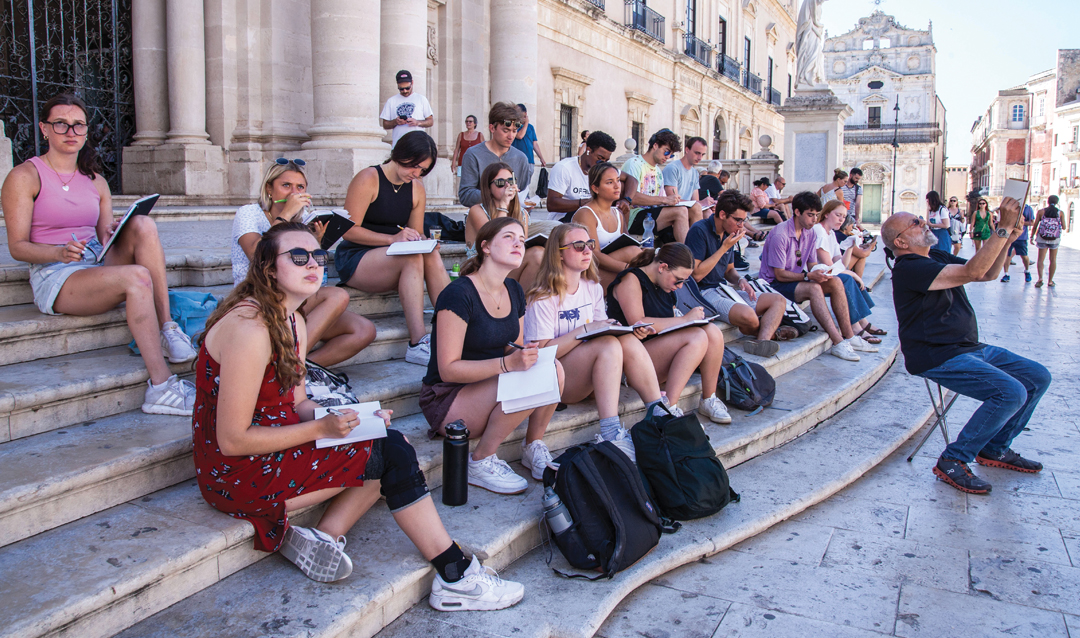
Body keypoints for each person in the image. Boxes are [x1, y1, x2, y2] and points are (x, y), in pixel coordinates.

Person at [192, 223, 525, 607]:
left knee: (383, 440)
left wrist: (350, 418)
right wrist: (323, 427)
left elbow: (298, 403)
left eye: (318, 256)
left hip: (270, 443)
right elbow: (232, 439)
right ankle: (454, 574)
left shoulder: (293, 321)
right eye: (298, 257)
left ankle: (326, 536)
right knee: (390, 453)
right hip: (236, 474)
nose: (313, 264)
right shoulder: (249, 329)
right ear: (269, 268)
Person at [1, 93, 196, 415]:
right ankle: (161, 387)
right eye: (61, 124)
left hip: (93, 263)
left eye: (78, 125)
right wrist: (57, 252)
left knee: (143, 225)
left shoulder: (96, 181)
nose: (70, 132)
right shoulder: (25, 176)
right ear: (44, 129)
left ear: (86, 131)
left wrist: (111, 232)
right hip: (56, 275)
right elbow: (17, 246)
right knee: (137, 277)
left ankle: (168, 328)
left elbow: (102, 235)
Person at [882, 200, 1050, 495]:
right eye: (916, 223)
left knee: (1037, 376)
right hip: (938, 355)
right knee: (1011, 392)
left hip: (968, 347)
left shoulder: (934, 254)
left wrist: (1008, 237)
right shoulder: (909, 268)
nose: (924, 223)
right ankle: (953, 459)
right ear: (901, 241)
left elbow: (985, 273)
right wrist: (1000, 229)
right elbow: (973, 270)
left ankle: (995, 448)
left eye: (921, 219)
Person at [421, 217, 563, 493]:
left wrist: (526, 355)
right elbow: (448, 369)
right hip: (448, 398)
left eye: (522, 240)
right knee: (536, 377)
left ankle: (533, 446)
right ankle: (480, 460)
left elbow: (514, 347)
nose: (518, 244)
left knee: (553, 368)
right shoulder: (458, 293)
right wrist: (507, 364)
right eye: (509, 237)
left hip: (488, 388)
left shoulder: (513, 290)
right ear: (485, 246)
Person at [524, 223, 665, 462]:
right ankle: (610, 432)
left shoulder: (593, 288)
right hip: (557, 381)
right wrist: (585, 330)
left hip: (591, 373)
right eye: (579, 246)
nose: (588, 251)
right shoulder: (542, 297)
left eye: (590, 245)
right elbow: (542, 353)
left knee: (626, 341)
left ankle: (660, 411)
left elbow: (604, 328)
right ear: (558, 253)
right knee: (608, 345)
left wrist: (625, 330)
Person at [231, 160, 375, 367]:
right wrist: (285, 215)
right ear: (269, 189)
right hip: (260, 295)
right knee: (338, 295)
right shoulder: (249, 213)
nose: (293, 193)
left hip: (295, 296)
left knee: (364, 330)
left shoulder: (305, 218)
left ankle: (296, 368)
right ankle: (286, 363)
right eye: (286, 186)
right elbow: (257, 254)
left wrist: (316, 242)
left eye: (300, 187)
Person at [336, 131, 450, 366]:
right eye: (414, 166)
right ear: (401, 154)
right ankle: (417, 342)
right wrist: (392, 239)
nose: (416, 174)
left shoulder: (416, 188)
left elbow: (415, 234)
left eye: (422, 170)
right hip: (358, 256)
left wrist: (424, 242)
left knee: (428, 254)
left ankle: (455, 327)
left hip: (393, 258)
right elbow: (347, 230)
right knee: (411, 258)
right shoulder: (368, 178)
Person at [607, 243, 731, 424]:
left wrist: (693, 321)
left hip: (657, 353)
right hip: (632, 363)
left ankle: (708, 398)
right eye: (678, 280)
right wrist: (685, 320)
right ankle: (667, 407)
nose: (680, 286)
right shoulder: (631, 280)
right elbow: (638, 322)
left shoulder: (665, 285)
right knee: (696, 337)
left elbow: (669, 322)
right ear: (663, 267)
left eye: (684, 282)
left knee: (712, 331)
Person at [758, 192, 869, 362]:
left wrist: (821, 272)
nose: (814, 220)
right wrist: (810, 276)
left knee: (836, 282)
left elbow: (811, 265)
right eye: (810, 215)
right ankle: (838, 342)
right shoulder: (780, 235)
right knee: (814, 288)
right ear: (796, 212)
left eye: (816, 215)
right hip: (772, 285)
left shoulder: (810, 233)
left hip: (794, 279)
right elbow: (779, 275)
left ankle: (849, 336)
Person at [684, 190, 789, 357]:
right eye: (738, 220)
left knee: (778, 300)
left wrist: (740, 280)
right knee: (750, 316)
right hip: (703, 293)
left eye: (743, 221)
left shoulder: (729, 232)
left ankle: (761, 342)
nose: (741, 226)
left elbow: (729, 270)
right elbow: (696, 275)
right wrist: (724, 247)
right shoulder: (699, 230)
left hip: (722, 288)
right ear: (723, 214)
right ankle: (771, 334)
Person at [813, 201, 886, 346]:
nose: (841, 219)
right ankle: (856, 326)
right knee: (847, 279)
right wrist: (854, 274)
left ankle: (862, 322)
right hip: (816, 274)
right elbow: (829, 265)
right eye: (838, 215)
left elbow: (841, 264)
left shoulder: (831, 233)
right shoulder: (818, 231)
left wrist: (850, 247)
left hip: (827, 272)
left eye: (843, 216)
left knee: (847, 277)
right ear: (826, 214)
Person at [465, 162, 544, 289]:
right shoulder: (477, 211)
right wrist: (503, 205)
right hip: (483, 268)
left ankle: (522, 304)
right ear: (488, 187)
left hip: (508, 266)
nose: (507, 186)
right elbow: (495, 241)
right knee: (536, 255)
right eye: (500, 183)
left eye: (511, 181)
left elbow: (520, 247)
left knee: (539, 253)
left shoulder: (522, 213)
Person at [573, 161, 641, 287]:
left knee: (641, 254)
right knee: (634, 256)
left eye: (618, 180)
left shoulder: (618, 213)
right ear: (595, 188)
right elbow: (593, 254)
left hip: (612, 268)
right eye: (610, 182)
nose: (617, 186)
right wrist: (628, 267)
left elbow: (626, 242)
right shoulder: (586, 214)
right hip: (590, 271)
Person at [618, 129, 692, 243]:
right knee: (680, 212)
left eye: (671, 155)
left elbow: (660, 200)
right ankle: (689, 257)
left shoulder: (658, 171)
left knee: (694, 209)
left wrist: (672, 201)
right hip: (632, 216)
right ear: (655, 145)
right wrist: (665, 199)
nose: (668, 157)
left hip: (650, 215)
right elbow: (631, 197)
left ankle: (695, 253)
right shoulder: (634, 164)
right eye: (666, 152)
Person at [458, 102, 533, 208]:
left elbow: (523, 193)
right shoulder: (473, 155)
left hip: (512, 218)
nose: (511, 136)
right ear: (492, 128)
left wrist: (526, 202)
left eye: (514, 131)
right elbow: (466, 195)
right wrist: (497, 194)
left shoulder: (521, 158)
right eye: (506, 130)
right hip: (483, 217)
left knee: (552, 224)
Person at [546, 130, 618, 223]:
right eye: (599, 159)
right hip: (563, 220)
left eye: (606, 160)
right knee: (587, 214)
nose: (601, 164)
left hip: (591, 216)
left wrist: (626, 200)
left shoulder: (602, 169)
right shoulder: (564, 168)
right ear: (588, 150)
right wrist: (584, 203)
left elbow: (630, 179)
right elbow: (551, 204)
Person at [662, 136, 715, 226]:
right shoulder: (673, 168)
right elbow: (672, 199)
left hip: (687, 209)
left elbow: (695, 200)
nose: (700, 158)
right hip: (672, 210)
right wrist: (701, 203)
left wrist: (709, 203)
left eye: (702, 154)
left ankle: (709, 239)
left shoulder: (695, 173)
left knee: (708, 212)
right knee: (697, 208)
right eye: (697, 153)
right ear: (687, 150)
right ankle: (695, 239)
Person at [379, 70, 434, 148]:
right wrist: (396, 121)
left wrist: (417, 122)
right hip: (399, 145)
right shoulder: (391, 101)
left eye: (407, 88)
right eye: (401, 89)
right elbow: (385, 124)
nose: (405, 91)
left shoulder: (421, 99)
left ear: (412, 83)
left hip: (418, 145)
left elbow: (430, 121)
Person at [1032, 195, 1067, 288]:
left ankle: (1040, 278)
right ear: (1057, 202)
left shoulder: (1041, 212)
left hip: (1042, 238)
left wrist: (1031, 236)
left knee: (1040, 259)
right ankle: (1050, 281)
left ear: (1047, 201)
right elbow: (1064, 227)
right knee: (1053, 259)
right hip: (1054, 239)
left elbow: (1035, 225)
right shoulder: (1060, 213)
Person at [1001, 202, 1034, 283]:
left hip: (1021, 236)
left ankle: (1027, 271)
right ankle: (1006, 273)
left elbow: (1032, 222)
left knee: (1024, 256)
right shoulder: (1010, 207)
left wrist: (1020, 223)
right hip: (1008, 235)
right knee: (1007, 256)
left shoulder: (1028, 208)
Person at [512, 104, 548, 170]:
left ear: (525, 113)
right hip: (516, 160)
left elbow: (535, 144)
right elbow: (519, 136)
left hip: (529, 161)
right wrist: (526, 123)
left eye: (518, 112)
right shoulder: (514, 126)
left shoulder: (531, 127)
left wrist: (541, 158)